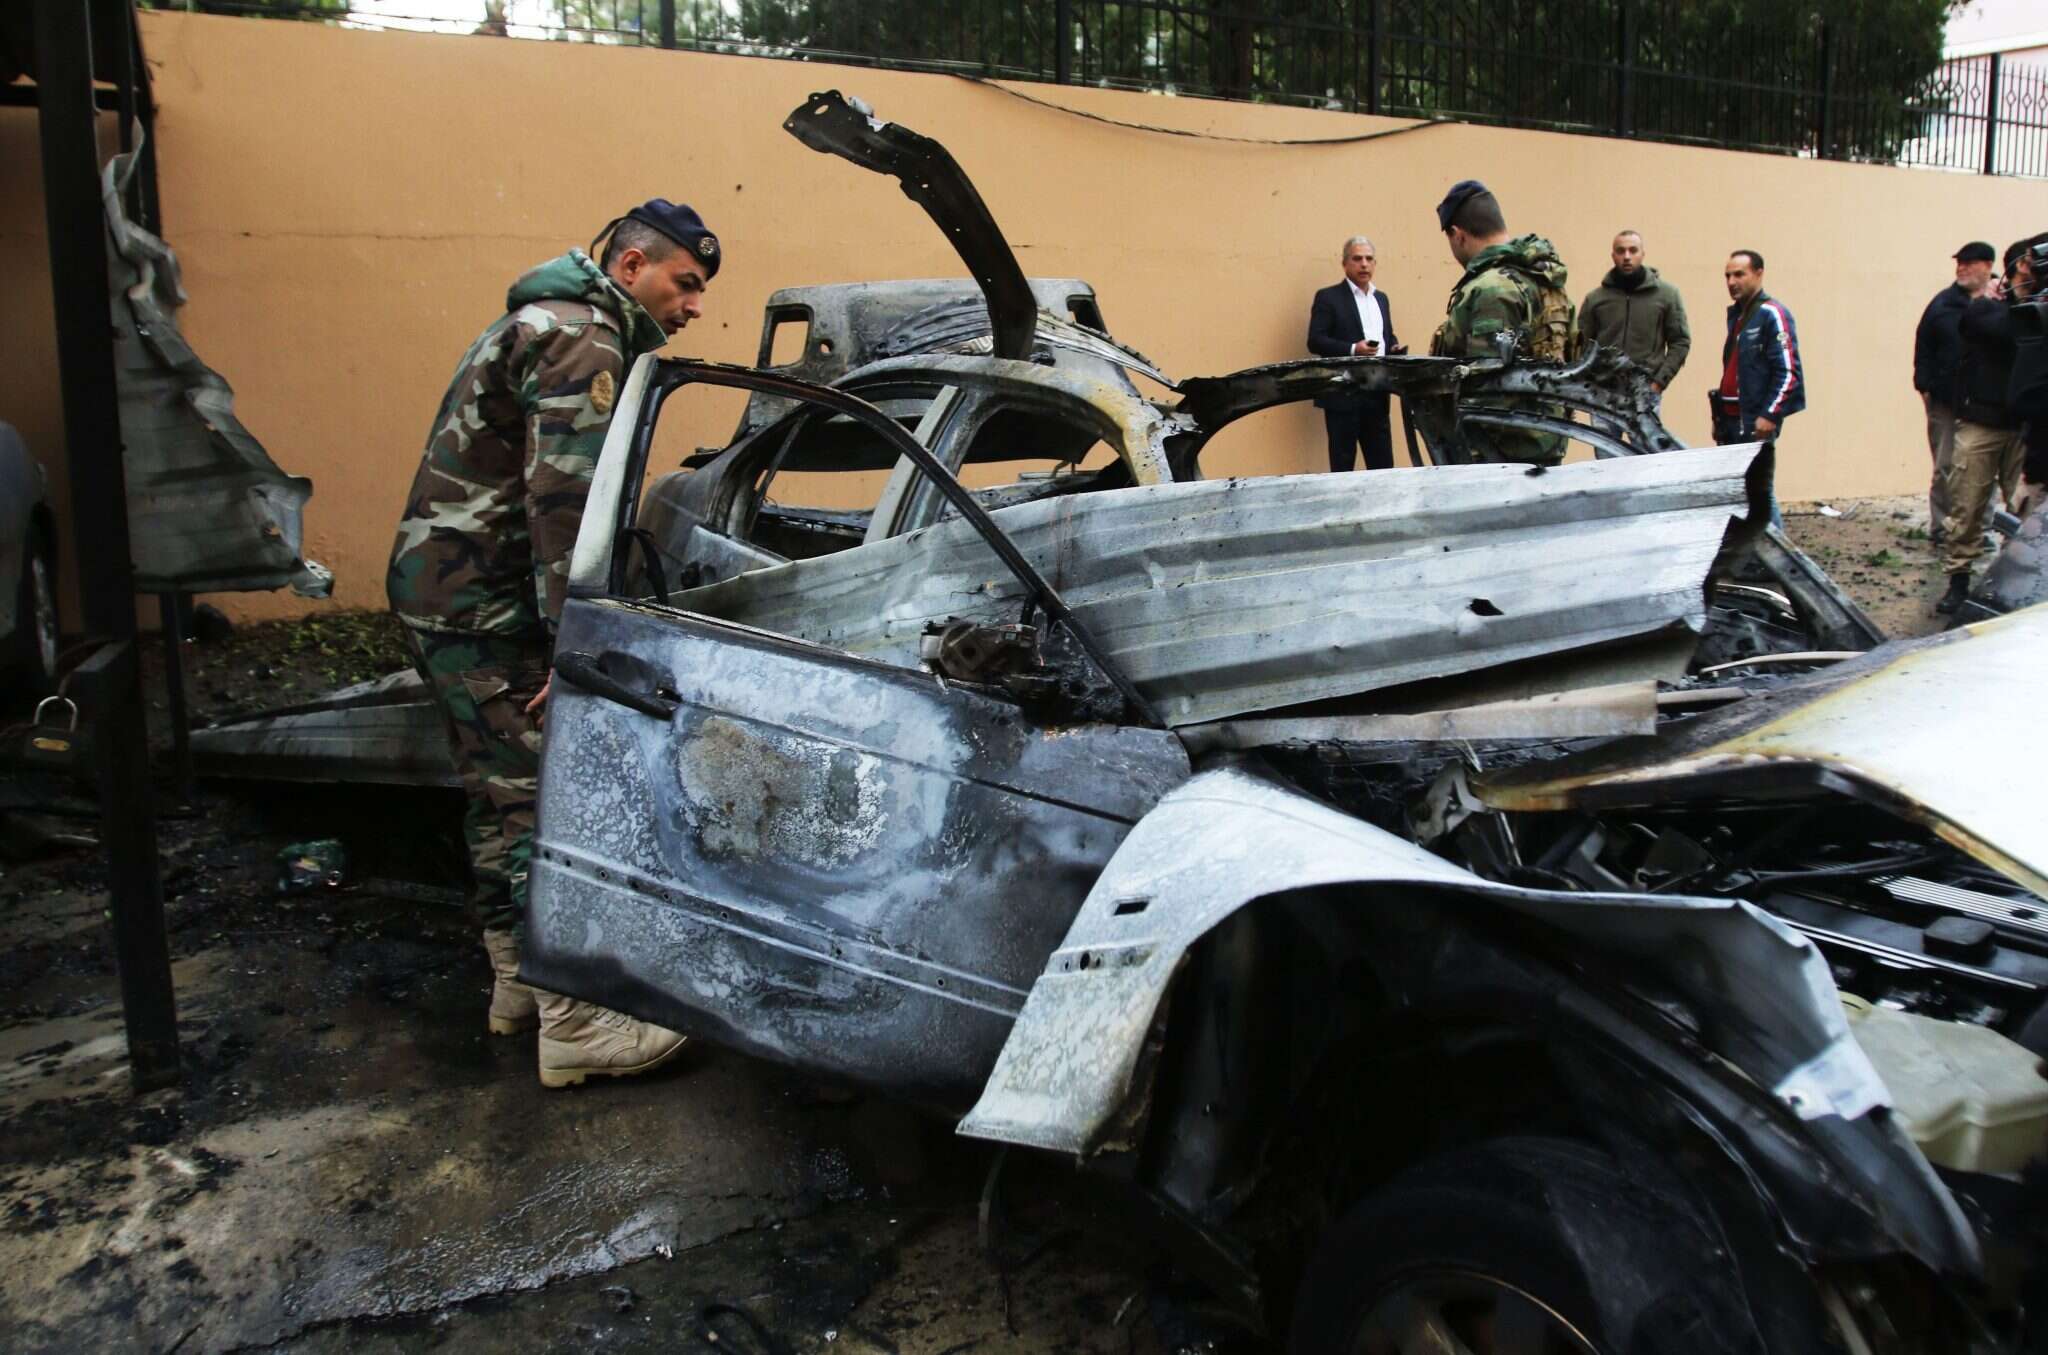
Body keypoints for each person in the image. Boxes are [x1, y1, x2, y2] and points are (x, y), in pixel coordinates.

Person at [386, 200, 720, 1086]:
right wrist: (577, 645)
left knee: (495, 792)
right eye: (685, 283)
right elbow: (564, 506)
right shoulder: (586, 340)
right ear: (632, 265)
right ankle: (576, 1019)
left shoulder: (545, 318)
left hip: (444, 595)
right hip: (488, 607)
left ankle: (517, 986)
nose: (694, 306)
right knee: (549, 798)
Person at [1429, 180, 1578, 465]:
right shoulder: (1548, 283)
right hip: (1547, 443)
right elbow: (1572, 358)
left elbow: (1487, 387)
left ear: (1458, 235)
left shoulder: (1492, 290)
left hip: (1497, 457)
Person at [1937, 235, 2043, 614]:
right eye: (2025, 263)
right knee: (1967, 507)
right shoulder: (1986, 308)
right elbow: (1998, 329)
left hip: (2024, 429)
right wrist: (2018, 298)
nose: (2029, 270)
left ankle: (2013, 585)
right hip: (1982, 422)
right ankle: (1958, 579)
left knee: (2024, 515)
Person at [1914, 241, 1997, 543]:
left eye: (1968, 263)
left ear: (1987, 266)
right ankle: (1942, 528)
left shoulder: (2000, 303)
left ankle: (1979, 530)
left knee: (1983, 467)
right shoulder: (1942, 304)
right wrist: (1923, 385)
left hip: (1986, 402)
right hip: (1945, 400)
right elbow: (1924, 344)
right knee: (1945, 465)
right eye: (1959, 263)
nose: (1961, 268)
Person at [1713, 250, 1804, 523]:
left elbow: (1789, 372)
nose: (1731, 282)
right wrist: (1719, 418)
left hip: (1754, 422)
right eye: (1728, 276)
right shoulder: (1738, 316)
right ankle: (1752, 547)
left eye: (1739, 274)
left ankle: (1777, 546)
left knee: (1760, 493)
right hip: (1731, 421)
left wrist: (1769, 415)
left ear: (1758, 274)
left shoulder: (1771, 314)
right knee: (1739, 493)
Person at [1307, 235, 1403, 472]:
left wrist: (1392, 347)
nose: (1364, 264)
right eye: (1357, 259)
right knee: (1342, 467)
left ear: (1375, 263)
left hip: (1377, 393)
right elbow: (1315, 340)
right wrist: (1353, 349)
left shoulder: (1381, 299)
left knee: (1383, 467)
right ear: (1344, 264)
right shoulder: (1328, 297)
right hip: (1343, 394)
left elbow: (1386, 335)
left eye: (1369, 259)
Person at [1576, 229, 1690, 400]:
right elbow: (1581, 346)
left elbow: (1680, 342)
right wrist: (1588, 383)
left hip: (1645, 390)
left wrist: (1659, 382)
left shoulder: (1667, 295)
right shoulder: (1595, 299)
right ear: (1613, 256)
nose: (1627, 257)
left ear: (1642, 254)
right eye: (1621, 251)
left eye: (1633, 250)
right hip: (1603, 392)